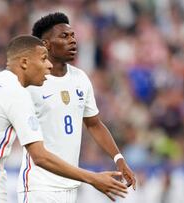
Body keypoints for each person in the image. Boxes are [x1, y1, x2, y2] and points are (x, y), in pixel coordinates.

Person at [0, 35, 128, 203]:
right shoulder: (17, 94)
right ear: (24, 62)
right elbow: (40, 157)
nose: (48, 65)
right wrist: (93, 178)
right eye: (43, 58)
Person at [17, 13, 136, 203]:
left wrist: (118, 158)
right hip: (39, 187)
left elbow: (94, 124)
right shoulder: (30, 84)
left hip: (70, 186)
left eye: (73, 35)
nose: (72, 41)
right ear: (46, 45)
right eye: (64, 37)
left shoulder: (80, 78)